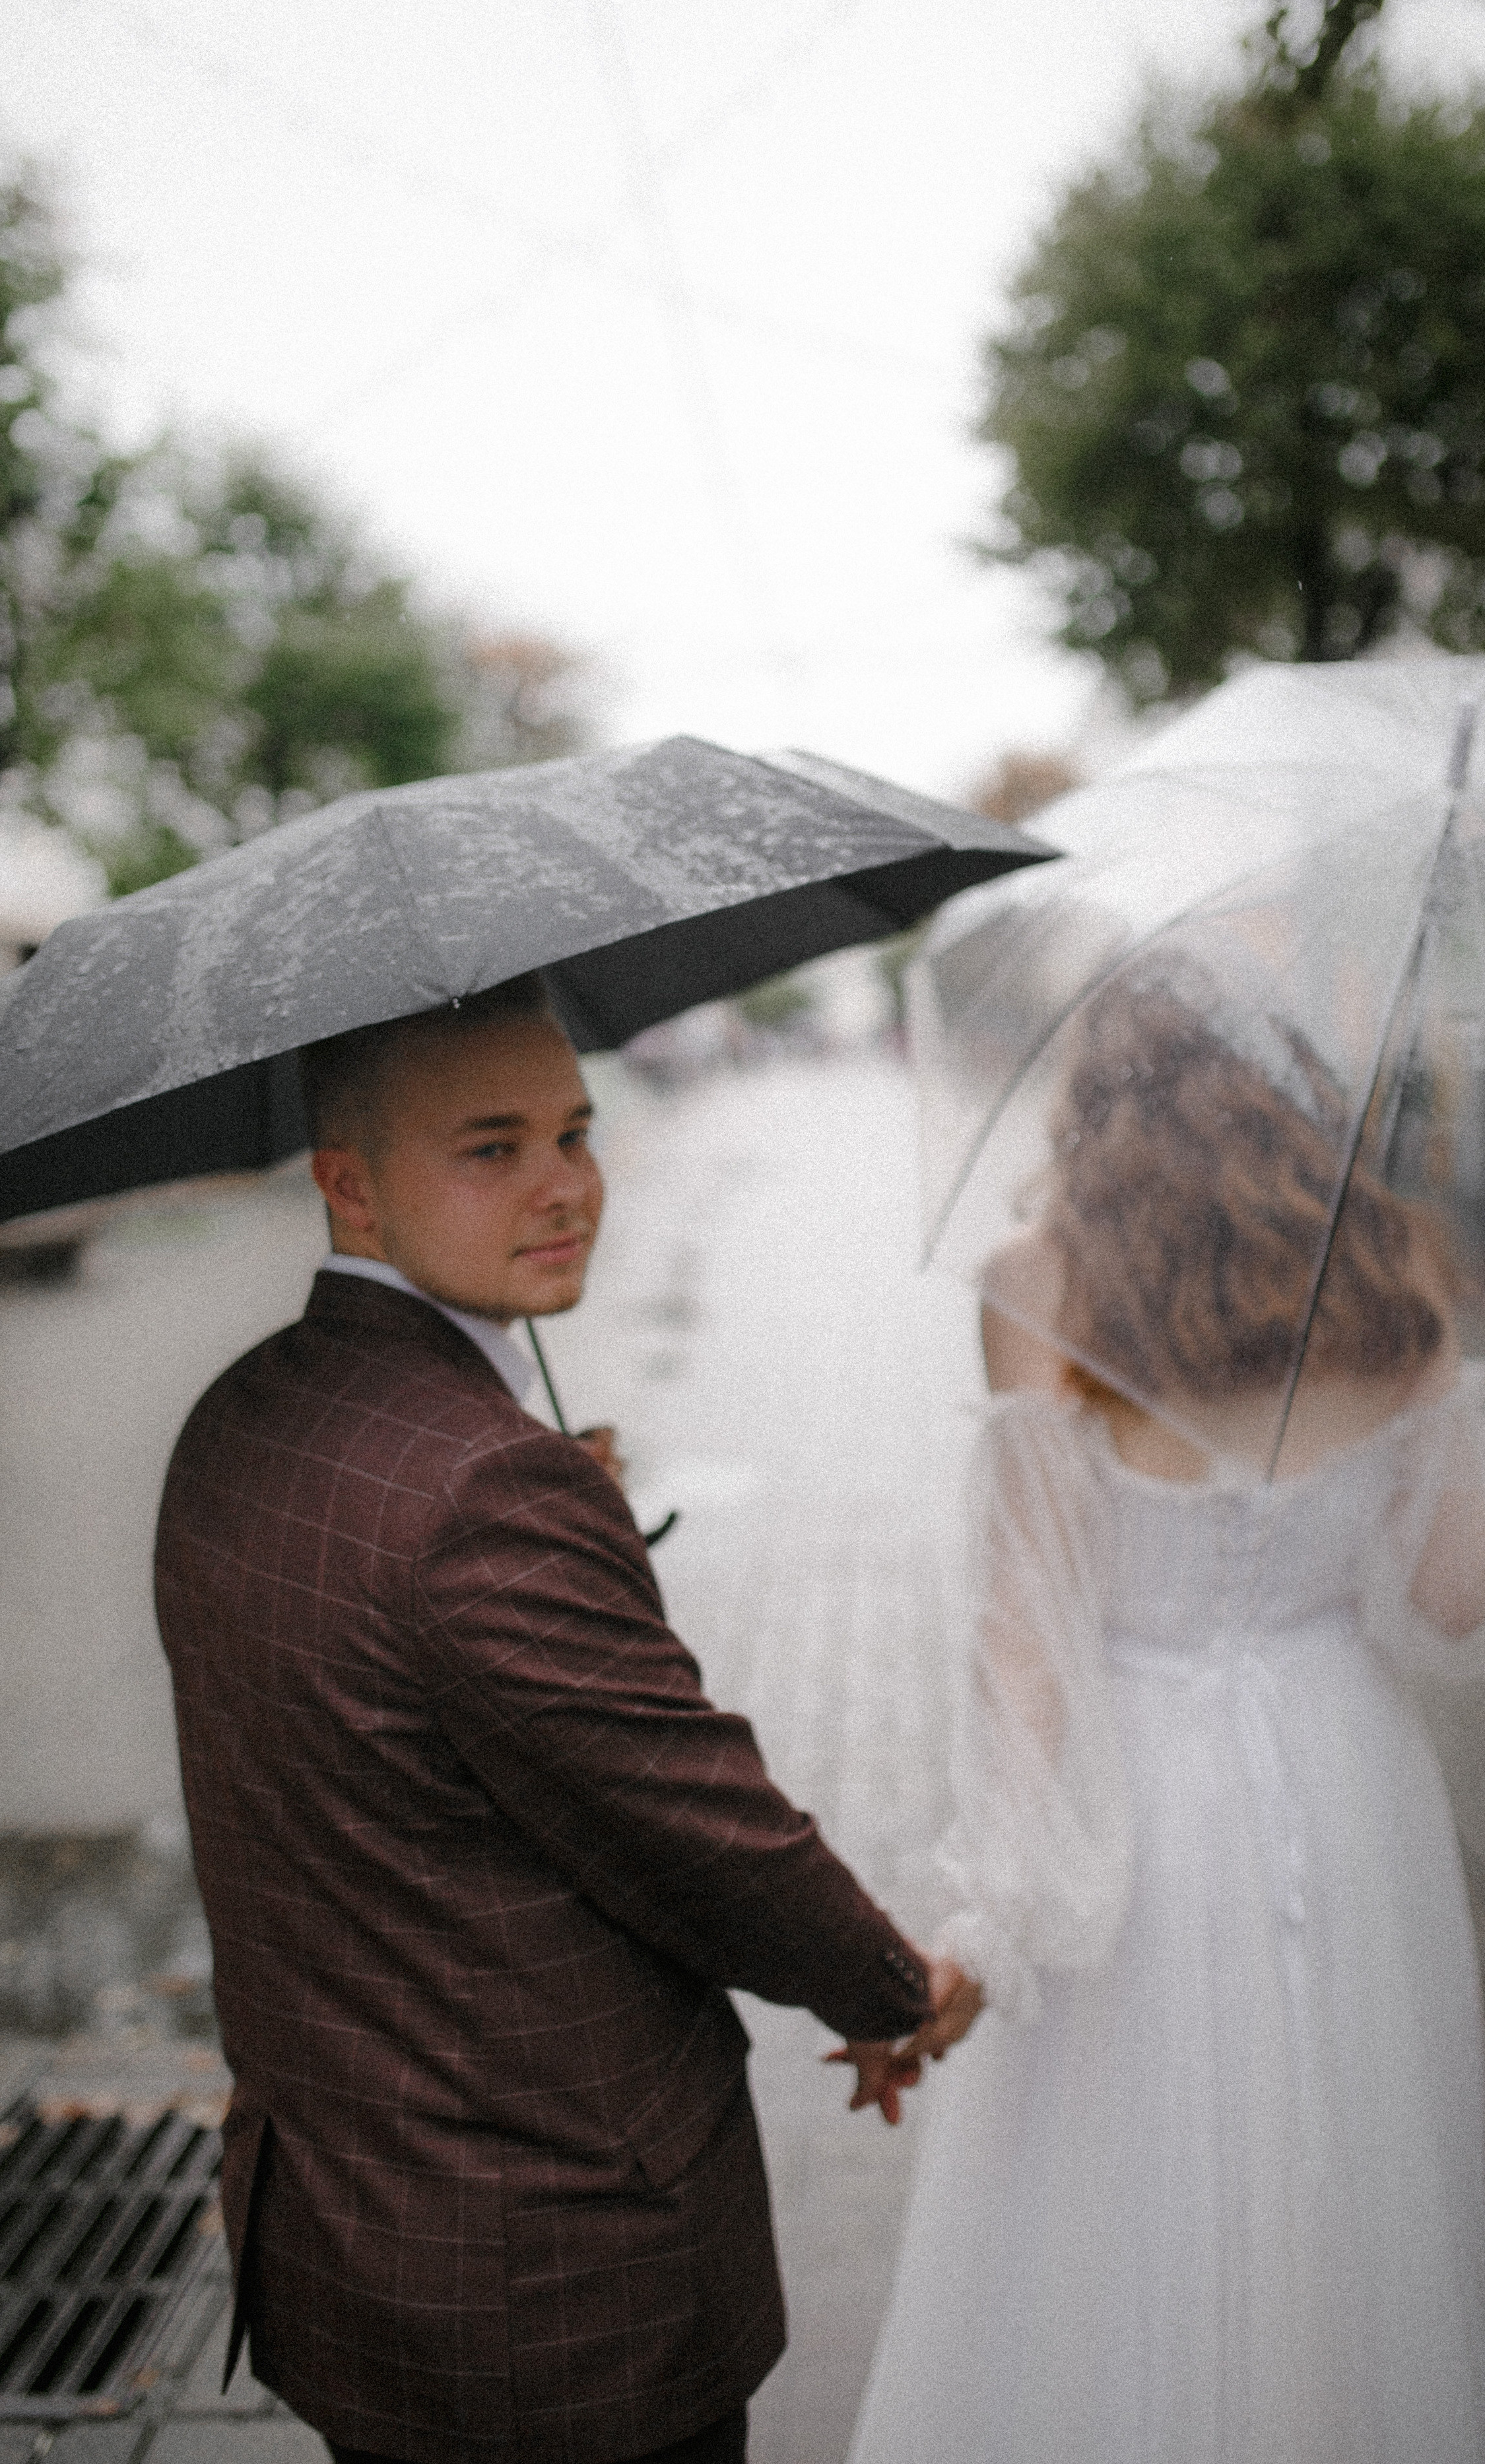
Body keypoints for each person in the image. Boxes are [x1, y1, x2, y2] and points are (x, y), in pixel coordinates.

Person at [154, 972, 976, 2464]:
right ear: (350, 1186)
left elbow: (401, 1756)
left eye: (575, 1132)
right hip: (554, 2281)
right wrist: (888, 1989)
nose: (566, 1186)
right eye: (492, 1148)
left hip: (346, 2248)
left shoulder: (237, 1415)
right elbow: (688, 1820)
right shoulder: (485, 1489)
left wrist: (566, 1524)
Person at [849, 975, 1485, 2464]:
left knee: (1123, 2190)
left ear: (1092, 1103)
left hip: (1142, 1791)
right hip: (1346, 1775)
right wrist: (1419, 1415)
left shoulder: (1037, 1283)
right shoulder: (1394, 1267)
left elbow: (1026, 1638)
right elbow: (1456, 1592)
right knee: (1349, 2173)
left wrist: (988, 1914)